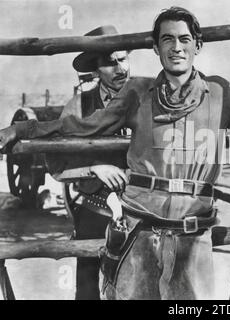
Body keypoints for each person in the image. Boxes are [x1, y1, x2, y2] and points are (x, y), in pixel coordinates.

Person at [0, 8, 230, 300]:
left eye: (185, 39)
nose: (176, 46)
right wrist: (21, 130)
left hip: (194, 236)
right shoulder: (137, 92)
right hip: (140, 228)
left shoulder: (219, 91)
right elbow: (80, 128)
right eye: (167, 39)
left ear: (197, 46)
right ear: (156, 49)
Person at [47, 25, 134, 300]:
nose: (120, 68)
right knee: (87, 290)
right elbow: (56, 165)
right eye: (110, 62)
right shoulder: (79, 105)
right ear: (96, 68)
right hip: (95, 214)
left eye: (123, 58)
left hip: (143, 212)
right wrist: (93, 168)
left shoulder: (146, 100)